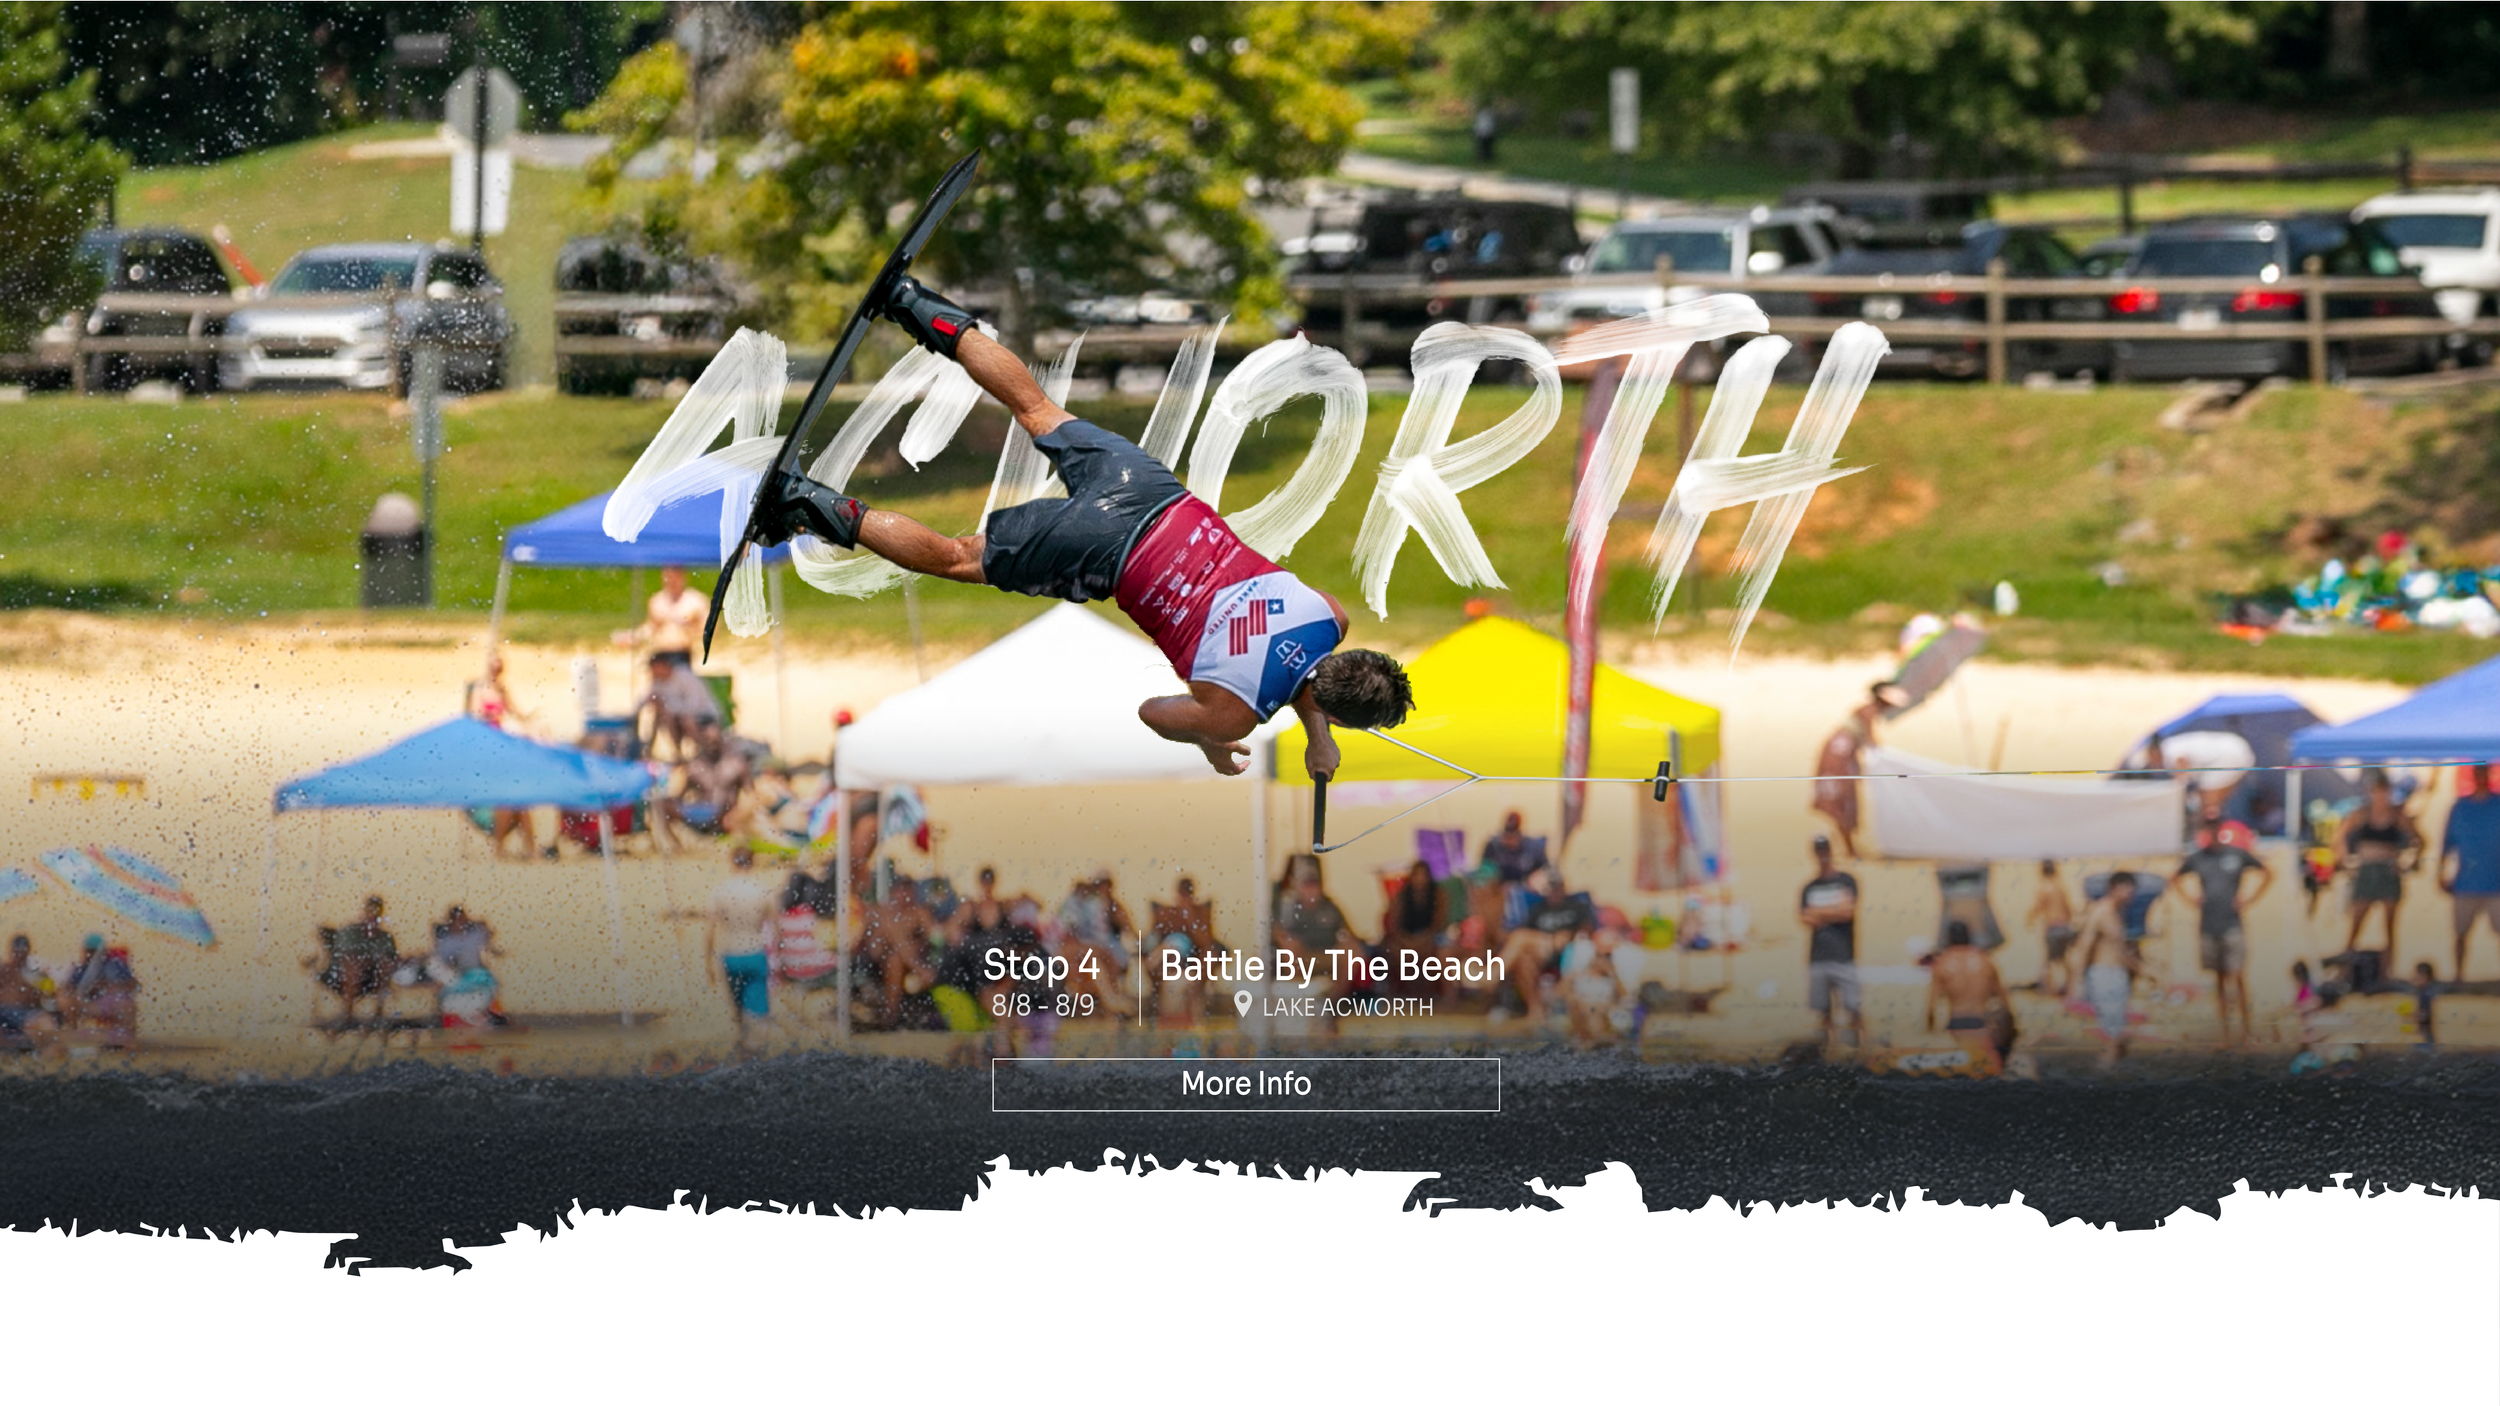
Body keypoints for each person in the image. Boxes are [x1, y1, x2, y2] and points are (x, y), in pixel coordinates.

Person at [739, 278, 1415, 778]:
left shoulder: (1329, 616)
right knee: (956, 559)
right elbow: (1155, 713)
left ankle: (913, 304)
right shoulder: (1234, 711)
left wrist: (1312, 731)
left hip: (1154, 495)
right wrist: (1211, 737)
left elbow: (1303, 664)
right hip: (1107, 551)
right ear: (1341, 710)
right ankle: (803, 501)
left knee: (1035, 405)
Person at [2173, 825, 2272, 1047]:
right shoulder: (2197, 858)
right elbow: (2175, 877)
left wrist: (2249, 899)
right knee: (2218, 981)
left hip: (2232, 925)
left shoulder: (2236, 854)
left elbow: (2267, 871)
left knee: (2236, 977)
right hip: (2209, 926)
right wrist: (2190, 899)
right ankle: (2226, 1032)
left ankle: (2246, 1030)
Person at [468, 652, 553, 861]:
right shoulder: (480, 689)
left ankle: (529, 848)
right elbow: (473, 716)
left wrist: (533, 719)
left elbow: (516, 713)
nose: (497, 669)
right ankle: (502, 848)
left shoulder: (502, 688)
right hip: (487, 743)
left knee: (519, 801)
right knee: (508, 798)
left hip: (501, 743)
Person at [2336, 770, 2422, 970]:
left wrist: (2409, 862)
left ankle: (2386, 970)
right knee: (2356, 921)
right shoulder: (2362, 814)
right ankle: (2345, 969)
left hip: (2388, 870)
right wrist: (2345, 860)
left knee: (2389, 926)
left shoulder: (2397, 816)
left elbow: (2419, 839)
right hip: (2366, 870)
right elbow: (2340, 836)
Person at [705, 844, 779, 1051]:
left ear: (731, 862)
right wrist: (781, 958)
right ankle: (755, 1053)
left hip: (730, 954)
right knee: (757, 1011)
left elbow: (709, 932)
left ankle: (743, 1045)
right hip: (755, 952)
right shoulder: (763, 891)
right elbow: (776, 928)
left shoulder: (720, 891)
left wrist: (707, 963)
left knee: (738, 1008)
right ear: (753, 862)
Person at [1798, 834, 1864, 1054]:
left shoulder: (1846, 880)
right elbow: (1805, 918)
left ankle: (1862, 1047)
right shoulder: (1809, 887)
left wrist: (1821, 914)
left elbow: (1848, 911)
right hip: (1818, 955)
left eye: (1825, 851)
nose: (1822, 856)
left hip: (1843, 953)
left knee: (1854, 1007)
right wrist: (1833, 911)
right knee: (1823, 1010)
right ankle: (1831, 1050)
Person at [1810, 687, 1894, 858]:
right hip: (1839, 760)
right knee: (1843, 801)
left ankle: (1849, 846)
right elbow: (1871, 741)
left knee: (1843, 801)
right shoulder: (1868, 711)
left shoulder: (1864, 710)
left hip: (1840, 758)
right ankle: (1849, 848)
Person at [1925, 920, 2012, 1075]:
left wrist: (1930, 1029)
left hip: (1957, 1022)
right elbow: (2004, 1000)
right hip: (1982, 1020)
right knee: (1987, 1069)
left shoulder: (1942, 963)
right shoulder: (1985, 960)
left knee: (1967, 1068)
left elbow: (1931, 1006)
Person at [2073, 872, 2140, 1069]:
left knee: (2116, 1026)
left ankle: (2112, 1065)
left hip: (2116, 974)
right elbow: (2085, 946)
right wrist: (2076, 980)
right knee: (2113, 1030)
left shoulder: (2117, 912)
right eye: (2126, 889)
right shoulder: (2101, 911)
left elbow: (2120, 948)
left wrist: (2139, 968)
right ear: (2114, 888)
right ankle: (2106, 1070)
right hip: (2104, 974)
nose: (2130, 895)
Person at [2441, 763, 2500, 981]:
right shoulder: (2460, 807)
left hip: (2496, 882)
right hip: (2466, 882)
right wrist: (2441, 872)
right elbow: (2446, 843)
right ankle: (2459, 976)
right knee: (2460, 934)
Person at [312, 895, 398, 1028]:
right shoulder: (350, 932)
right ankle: (347, 1012)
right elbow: (344, 957)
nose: (372, 915)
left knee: (383, 966)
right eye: (370, 911)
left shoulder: (384, 938)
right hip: (339, 977)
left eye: (376, 912)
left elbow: (392, 959)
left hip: (370, 979)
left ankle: (379, 1013)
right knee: (353, 966)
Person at [1148, 876, 1220, 1028]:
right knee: (1168, 951)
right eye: (1182, 893)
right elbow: (1154, 937)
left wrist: (1190, 918)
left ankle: (1192, 1021)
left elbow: (1206, 942)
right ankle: (1168, 1020)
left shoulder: (1200, 913)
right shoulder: (1166, 913)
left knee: (1207, 956)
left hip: (1194, 959)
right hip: (1171, 959)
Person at [613, 565, 709, 667]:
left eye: (675, 576)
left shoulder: (696, 601)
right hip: (660, 653)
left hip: (683, 652)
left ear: (683, 576)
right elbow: (650, 628)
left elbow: (710, 631)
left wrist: (689, 627)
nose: (671, 580)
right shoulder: (656, 601)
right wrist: (634, 636)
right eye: (668, 576)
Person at [1381, 860, 1450, 998]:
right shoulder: (1401, 896)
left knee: (1430, 953)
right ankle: (1397, 993)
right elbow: (1394, 924)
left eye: (1423, 875)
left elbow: (1438, 923)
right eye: (1417, 875)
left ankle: (1426, 994)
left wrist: (1422, 940)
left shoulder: (1438, 895)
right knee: (1394, 952)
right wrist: (1406, 941)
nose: (1420, 879)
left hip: (1428, 938)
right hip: (1404, 939)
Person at [637, 654, 722, 762]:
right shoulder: (657, 681)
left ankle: (703, 752)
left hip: (702, 715)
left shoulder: (685, 677)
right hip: (677, 716)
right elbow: (646, 698)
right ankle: (676, 753)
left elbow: (692, 705)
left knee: (685, 720)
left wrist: (667, 707)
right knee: (662, 716)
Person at [64, 934, 139, 1048]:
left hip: (115, 1000)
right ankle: (75, 1035)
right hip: (90, 1003)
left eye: (94, 951)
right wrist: (88, 989)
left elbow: (133, 984)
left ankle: (127, 1041)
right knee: (67, 1001)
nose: (91, 954)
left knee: (125, 1005)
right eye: (89, 951)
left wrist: (110, 986)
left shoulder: (115, 964)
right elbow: (69, 988)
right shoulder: (81, 969)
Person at [0, 934, 62, 1058]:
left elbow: (47, 999)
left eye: (22, 951)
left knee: (45, 1025)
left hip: (27, 1013)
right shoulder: (4, 970)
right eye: (17, 951)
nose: (19, 955)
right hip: (5, 1012)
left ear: (27, 952)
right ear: (12, 951)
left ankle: (41, 1056)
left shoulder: (36, 974)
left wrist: (38, 990)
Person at [2030, 859, 2078, 996]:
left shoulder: (2043, 888)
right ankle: (2070, 987)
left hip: (2053, 927)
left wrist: (2028, 920)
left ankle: (2046, 989)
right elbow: (2069, 909)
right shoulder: (2060, 887)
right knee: (2064, 959)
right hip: (2065, 927)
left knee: (2048, 961)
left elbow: (2036, 908)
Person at [1480, 811, 1546, 886]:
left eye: (1512, 838)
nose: (1509, 842)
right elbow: (1484, 869)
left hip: (1526, 887)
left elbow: (1544, 869)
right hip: (1498, 888)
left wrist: (1535, 878)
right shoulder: (1493, 847)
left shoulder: (1532, 848)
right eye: (1506, 837)